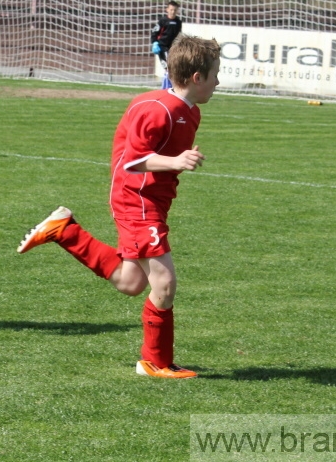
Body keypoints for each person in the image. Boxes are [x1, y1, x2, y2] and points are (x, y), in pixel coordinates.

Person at [17, 35, 220, 379]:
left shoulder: (189, 111)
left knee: (131, 282)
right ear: (197, 77)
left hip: (151, 201)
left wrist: (173, 165)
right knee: (164, 282)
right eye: (216, 74)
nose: (219, 82)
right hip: (135, 199)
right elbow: (133, 163)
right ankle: (154, 362)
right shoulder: (159, 110)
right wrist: (174, 161)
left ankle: (65, 231)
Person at [150, 0, 183, 90]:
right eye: (171, 9)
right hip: (162, 47)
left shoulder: (178, 22)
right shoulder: (162, 21)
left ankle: (168, 88)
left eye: (175, 10)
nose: (173, 12)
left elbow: (178, 35)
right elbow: (154, 32)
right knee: (168, 67)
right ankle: (165, 88)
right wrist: (155, 43)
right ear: (167, 10)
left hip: (172, 48)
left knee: (173, 68)